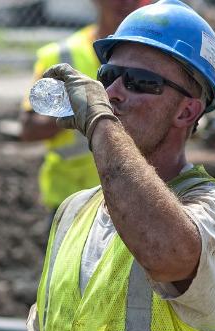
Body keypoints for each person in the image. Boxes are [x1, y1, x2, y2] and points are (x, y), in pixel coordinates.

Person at [20, 1, 215, 331]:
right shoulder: (73, 212)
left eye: (140, 82)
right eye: (108, 75)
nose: (113, 92)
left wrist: (101, 121)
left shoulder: (214, 207)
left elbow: (166, 255)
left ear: (187, 111)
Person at [19, 0, 151, 219]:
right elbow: (29, 129)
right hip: (71, 202)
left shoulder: (154, 59)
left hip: (132, 198)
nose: (126, 2)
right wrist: (81, 110)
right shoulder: (61, 54)